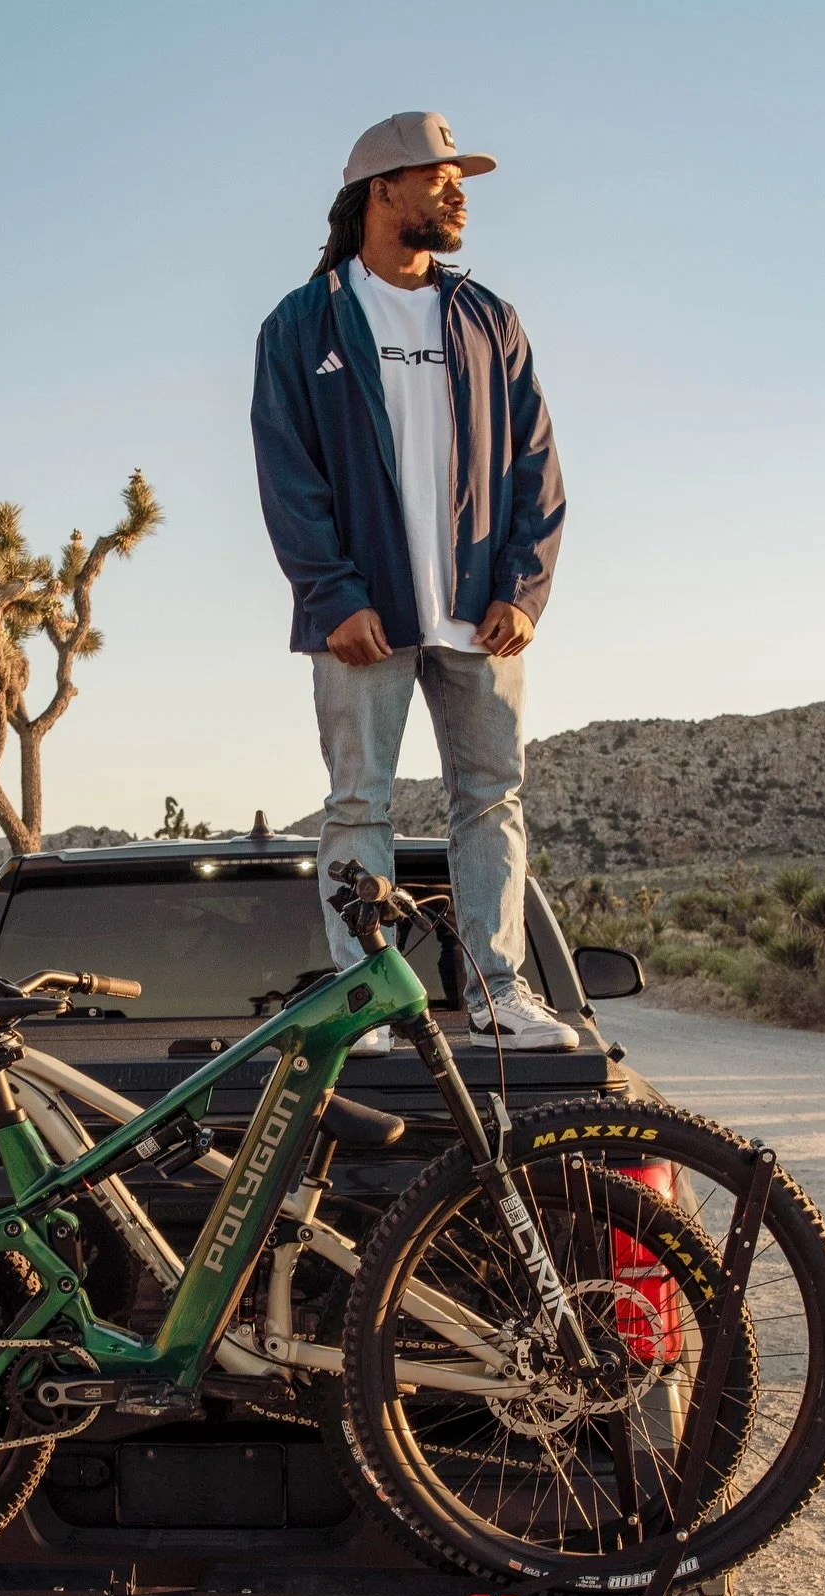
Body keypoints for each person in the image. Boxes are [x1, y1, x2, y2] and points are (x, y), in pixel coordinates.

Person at [251, 110, 575, 1051]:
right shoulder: (303, 322)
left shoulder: (487, 319)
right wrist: (333, 596)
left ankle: (498, 992)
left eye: (458, 176)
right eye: (438, 174)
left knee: (493, 795)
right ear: (380, 191)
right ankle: (367, 1000)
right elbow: (288, 470)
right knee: (360, 804)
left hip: (483, 615)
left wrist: (524, 587)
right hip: (365, 615)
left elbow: (537, 465)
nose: (457, 188)